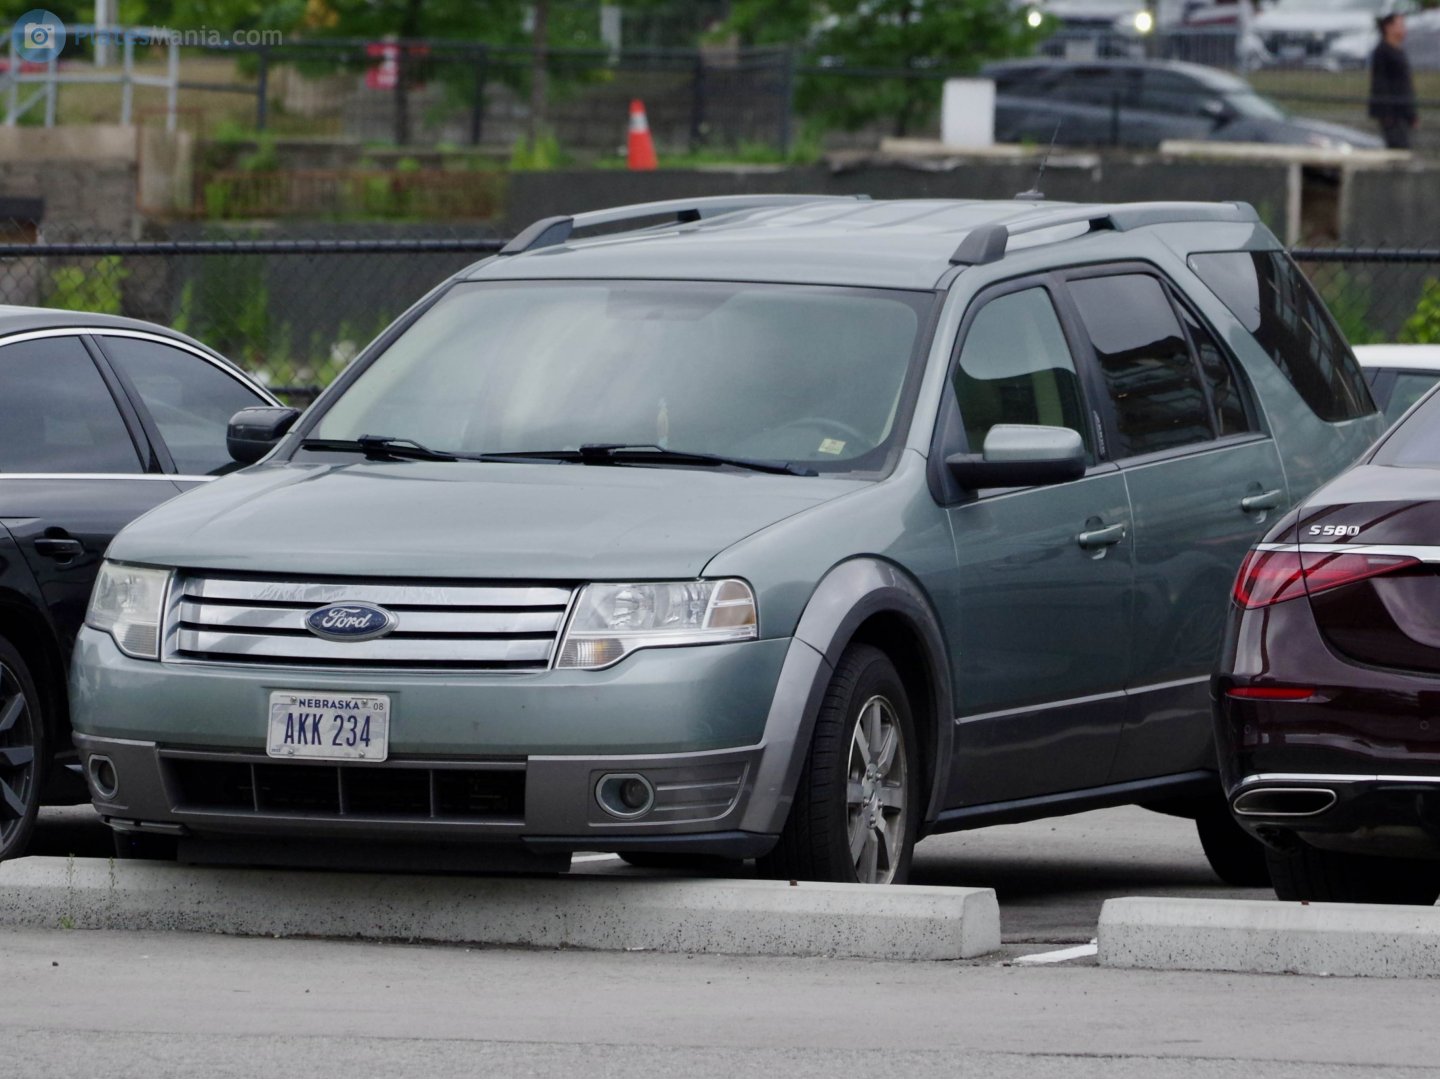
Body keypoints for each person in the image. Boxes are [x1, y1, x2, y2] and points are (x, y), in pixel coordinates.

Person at [1369, 12, 1418, 149]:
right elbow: (1380, 83)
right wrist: (1386, 113)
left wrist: (1412, 113)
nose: (1404, 29)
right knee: (1398, 148)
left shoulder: (1399, 51)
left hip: (1403, 110)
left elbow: (1405, 84)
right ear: (1388, 27)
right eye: (1400, 25)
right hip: (1392, 113)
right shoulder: (1382, 52)